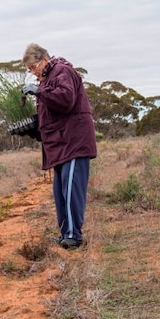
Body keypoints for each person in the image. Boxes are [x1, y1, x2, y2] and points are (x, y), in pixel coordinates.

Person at [21, 43, 97, 250]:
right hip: (61, 143)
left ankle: (74, 235)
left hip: (74, 142)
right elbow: (53, 115)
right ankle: (66, 233)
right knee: (60, 191)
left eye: (34, 67)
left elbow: (65, 100)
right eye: (30, 70)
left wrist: (38, 91)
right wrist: (33, 127)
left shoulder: (61, 71)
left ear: (44, 59)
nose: (33, 73)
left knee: (71, 190)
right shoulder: (48, 78)